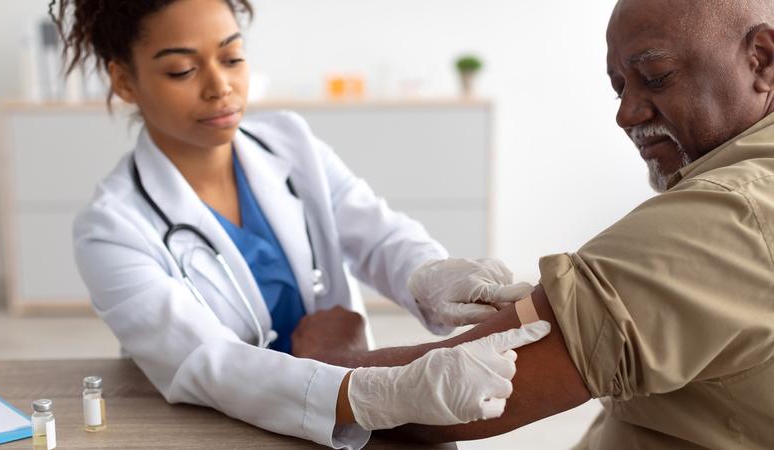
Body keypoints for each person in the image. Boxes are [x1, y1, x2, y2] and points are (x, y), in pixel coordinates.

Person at [53, 0, 549, 448]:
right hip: (229, 426)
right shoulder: (110, 230)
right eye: (182, 70)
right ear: (123, 80)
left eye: (231, 58)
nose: (219, 86)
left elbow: (376, 232)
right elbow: (206, 364)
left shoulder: (289, 142)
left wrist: (429, 275)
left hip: (343, 391)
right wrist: (381, 392)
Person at [291, 0, 774, 448]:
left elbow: (453, 396)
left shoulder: (728, 214)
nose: (625, 114)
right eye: (619, 86)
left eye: (656, 76)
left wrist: (330, 356)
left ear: (763, 59)